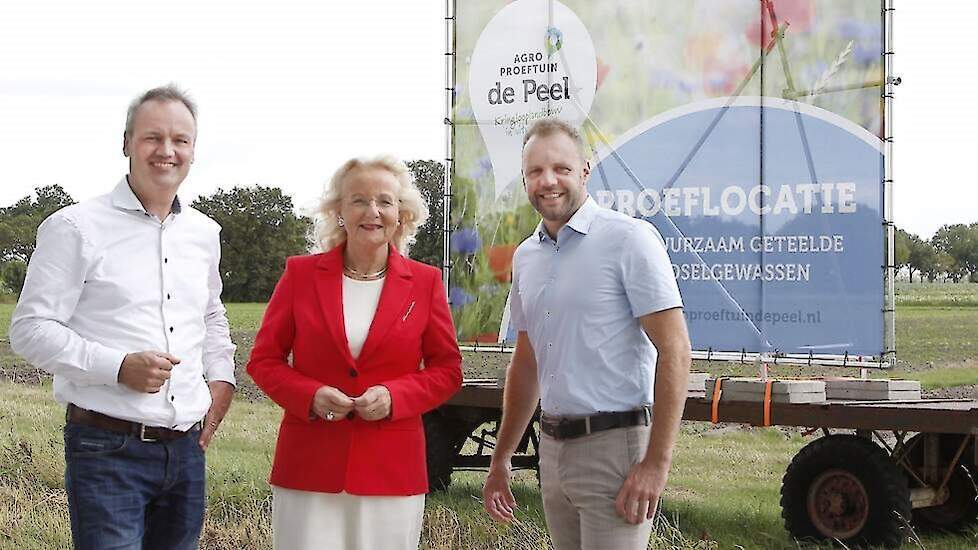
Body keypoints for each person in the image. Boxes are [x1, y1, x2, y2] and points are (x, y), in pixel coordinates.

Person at [9, 84, 236, 549]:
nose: (167, 150)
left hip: (186, 451)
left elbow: (211, 314)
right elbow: (29, 330)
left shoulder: (204, 233)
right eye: (153, 137)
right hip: (106, 448)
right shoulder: (75, 228)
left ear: (193, 150)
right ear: (126, 143)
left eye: (181, 140)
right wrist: (117, 367)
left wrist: (223, 379)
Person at [482, 118, 692, 550]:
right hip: (554, 452)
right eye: (535, 172)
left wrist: (655, 463)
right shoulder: (525, 257)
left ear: (585, 170)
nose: (548, 181)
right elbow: (527, 362)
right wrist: (501, 457)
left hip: (616, 450)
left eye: (560, 168)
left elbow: (675, 350)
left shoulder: (629, 240)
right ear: (524, 181)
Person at [246, 155, 462, 550]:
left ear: (402, 213)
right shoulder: (300, 275)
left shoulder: (426, 283)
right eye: (359, 200)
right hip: (309, 467)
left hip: (392, 471)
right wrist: (310, 396)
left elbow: (447, 370)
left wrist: (396, 397)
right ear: (339, 211)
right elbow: (263, 361)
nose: (373, 211)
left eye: (385, 201)